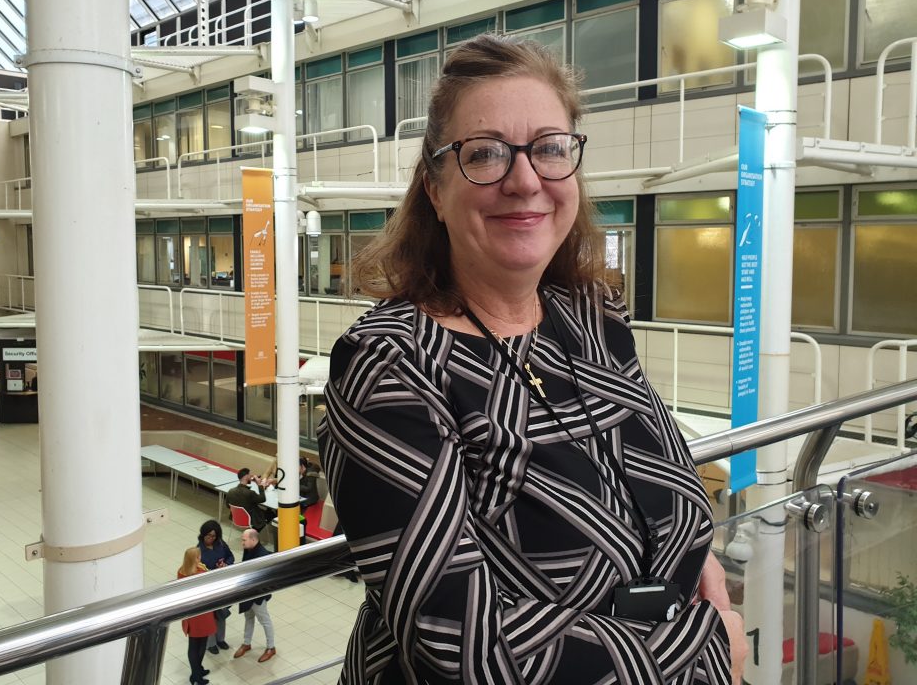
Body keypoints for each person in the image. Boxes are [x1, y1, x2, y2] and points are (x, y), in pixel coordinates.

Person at [318, 34, 746, 685]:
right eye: (485, 153)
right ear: (434, 189)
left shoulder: (594, 319)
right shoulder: (391, 365)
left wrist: (686, 562)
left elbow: (666, 484)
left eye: (549, 148)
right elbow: (460, 644)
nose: (525, 181)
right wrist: (703, 651)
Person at [231, 528, 276, 663]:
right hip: (248, 593)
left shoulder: (262, 555)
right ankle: (246, 643)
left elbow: (265, 578)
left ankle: (271, 647)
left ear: (253, 540)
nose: (242, 543)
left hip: (258, 596)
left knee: (265, 620)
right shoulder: (248, 549)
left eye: (244, 540)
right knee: (248, 617)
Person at [177, 546, 215, 685]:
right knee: (200, 644)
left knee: (194, 644)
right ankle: (196, 674)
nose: (200, 558)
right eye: (198, 556)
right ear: (195, 559)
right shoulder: (199, 573)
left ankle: (197, 670)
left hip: (190, 613)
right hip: (201, 613)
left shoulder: (182, 571)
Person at [197, 520, 235, 655]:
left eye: (214, 536)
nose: (211, 539)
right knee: (210, 616)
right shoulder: (198, 551)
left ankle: (220, 639)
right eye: (209, 536)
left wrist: (226, 564)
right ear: (203, 535)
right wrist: (213, 570)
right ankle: (211, 643)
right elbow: (198, 571)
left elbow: (231, 557)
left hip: (222, 583)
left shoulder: (220, 544)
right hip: (208, 587)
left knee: (221, 614)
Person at [225, 468, 276, 533]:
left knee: (265, 511)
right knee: (271, 514)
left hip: (236, 518)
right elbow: (263, 499)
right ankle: (253, 532)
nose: (251, 477)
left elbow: (228, 505)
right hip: (250, 519)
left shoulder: (230, 491)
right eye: (250, 475)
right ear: (246, 476)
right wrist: (260, 485)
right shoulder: (250, 493)